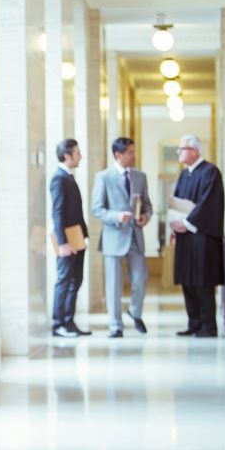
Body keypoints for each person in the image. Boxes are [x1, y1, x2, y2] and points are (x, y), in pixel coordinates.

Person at [91, 137, 153, 338]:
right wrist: (117, 216)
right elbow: (96, 209)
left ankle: (135, 312)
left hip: (136, 236)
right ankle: (115, 325)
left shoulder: (140, 177)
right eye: (130, 152)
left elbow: (148, 205)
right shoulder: (103, 177)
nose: (134, 155)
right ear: (118, 155)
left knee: (140, 280)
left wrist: (146, 217)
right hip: (113, 237)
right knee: (114, 284)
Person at [170, 135, 225, 337]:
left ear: (194, 151)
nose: (179, 152)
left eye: (182, 148)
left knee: (202, 281)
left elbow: (208, 204)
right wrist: (174, 226)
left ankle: (208, 326)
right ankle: (193, 323)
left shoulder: (210, 172)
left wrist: (186, 223)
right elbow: (176, 203)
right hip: (184, 237)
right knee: (188, 281)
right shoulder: (185, 175)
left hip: (203, 236)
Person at [50, 138, 91, 337]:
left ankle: (69, 321)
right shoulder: (59, 178)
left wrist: (85, 236)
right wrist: (63, 243)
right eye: (77, 153)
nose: (80, 156)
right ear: (67, 156)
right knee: (65, 280)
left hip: (77, 237)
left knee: (76, 280)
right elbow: (57, 213)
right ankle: (59, 324)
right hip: (67, 239)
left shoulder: (69, 177)